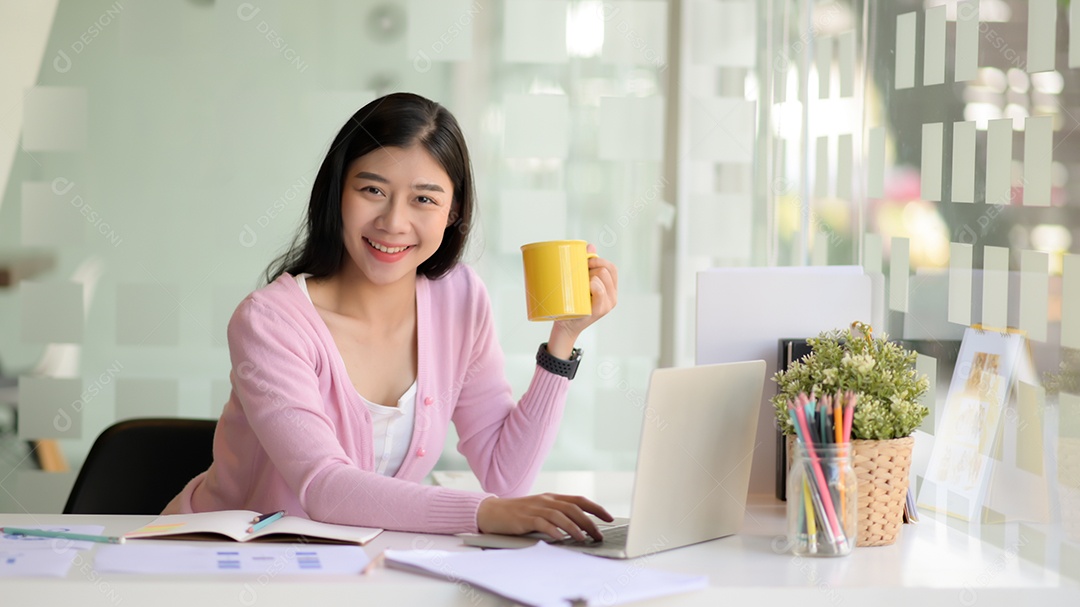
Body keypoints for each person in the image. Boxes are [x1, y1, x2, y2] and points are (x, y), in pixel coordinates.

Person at [164, 92, 619, 543]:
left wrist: (564, 338)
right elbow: (325, 488)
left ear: (452, 212)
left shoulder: (459, 298)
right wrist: (482, 512)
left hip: (355, 570)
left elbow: (506, 478)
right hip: (220, 564)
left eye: (424, 199)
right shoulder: (269, 322)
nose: (394, 222)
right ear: (338, 192)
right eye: (373, 190)